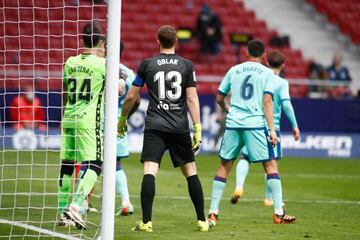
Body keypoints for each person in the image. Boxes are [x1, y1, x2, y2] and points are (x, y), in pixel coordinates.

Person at [117, 25, 209, 232]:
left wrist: (122, 119)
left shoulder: (147, 64)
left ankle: (146, 222)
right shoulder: (187, 65)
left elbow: (131, 95)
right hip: (179, 126)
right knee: (191, 171)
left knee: (150, 171)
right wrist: (198, 128)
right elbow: (192, 97)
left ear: (157, 41)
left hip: (155, 126)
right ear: (176, 41)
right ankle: (202, 221)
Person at [207, 40, 296, 227]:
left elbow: (219, 97)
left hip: (233, 124)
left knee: (225, 165)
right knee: (271, 165)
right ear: (264, 55)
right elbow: (267, 102)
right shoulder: (266, 73)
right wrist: (272, 131)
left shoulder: (234, 70)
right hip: (255, 125)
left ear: (246, 52)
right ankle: (278, 213)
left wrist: (228, 109)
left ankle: (213, 212)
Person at [230, 50, 300, 208]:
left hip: (254, 124)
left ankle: (239, 187)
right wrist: (295, 126)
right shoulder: (282, 83)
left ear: (267, 62)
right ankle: (269, 198)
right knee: (271, 164)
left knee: (245, 158)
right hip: (271, 127)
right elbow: (287, 105)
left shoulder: (259, 77)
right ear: (283, 65)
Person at [57, 22, 106, 230]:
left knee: (67, 166)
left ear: (82, 40)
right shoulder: (103, 65)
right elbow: (119, 89)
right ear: (101, 42)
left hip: (68, 117)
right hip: (88, 121)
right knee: (95, 163)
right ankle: (76, 206)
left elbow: (65, 92)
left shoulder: (70, 62)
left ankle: (62, 213)